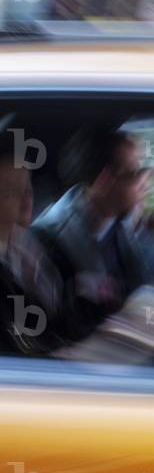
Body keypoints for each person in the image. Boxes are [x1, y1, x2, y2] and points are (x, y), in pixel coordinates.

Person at [32, 131, 154, 341]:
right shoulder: (51, 241)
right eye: (137, 172)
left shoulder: (125, 218)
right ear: (104, 182)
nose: (148, 178)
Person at [0, 134, 64, 354]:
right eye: (12, 190)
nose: (26, 198)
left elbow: (55, 308)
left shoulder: (28, 243)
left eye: (28, 187)